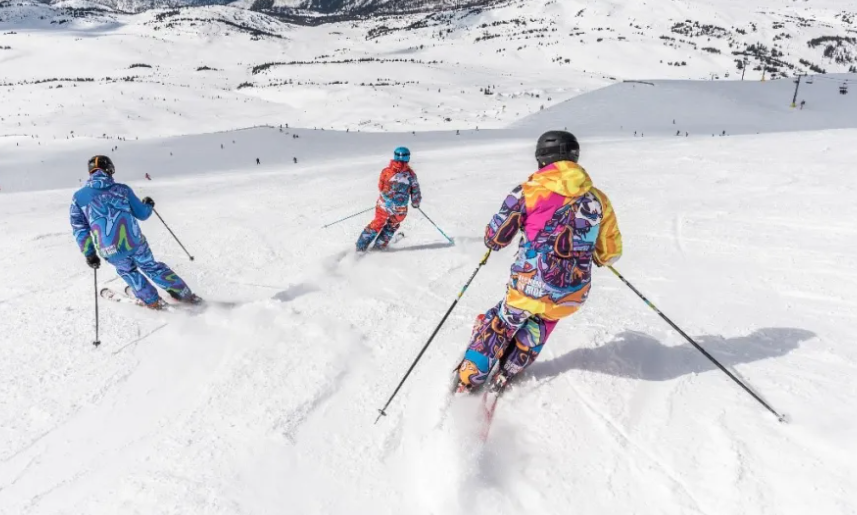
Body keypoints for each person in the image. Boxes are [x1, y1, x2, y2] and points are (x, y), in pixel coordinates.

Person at [456, 131, 622, 392]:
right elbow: (609, 252)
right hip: (572, 293)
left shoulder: (528, 192)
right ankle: (509, 368)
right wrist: (600, 256)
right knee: (543, 321)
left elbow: (497, 236)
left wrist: (491, 242)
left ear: (542, 159)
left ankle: (470, 376)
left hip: (528, 284)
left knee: (503, 320)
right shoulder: (598, 199)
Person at [70, 155, 200, 310]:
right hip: (134, 242)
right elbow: (142, 214)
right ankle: (184, 294)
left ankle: (152, 300)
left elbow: (79, 227)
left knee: (128, 271)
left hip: (109, 249)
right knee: (151, 267)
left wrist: (89, 253)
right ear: (109, 169)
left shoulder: (78, 197)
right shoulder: (122, 190)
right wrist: (148, 205)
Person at [355, 147, 422, 252]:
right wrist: (415, 202)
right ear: (408, 158)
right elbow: (415, 191)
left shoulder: (386, 171)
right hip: (400, 209)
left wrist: (386, 197)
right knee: (392, 225)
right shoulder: (411, 175)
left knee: (377, 223)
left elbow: (380, 186)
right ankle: (379, 247)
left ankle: (361, 246)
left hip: (384, 204)